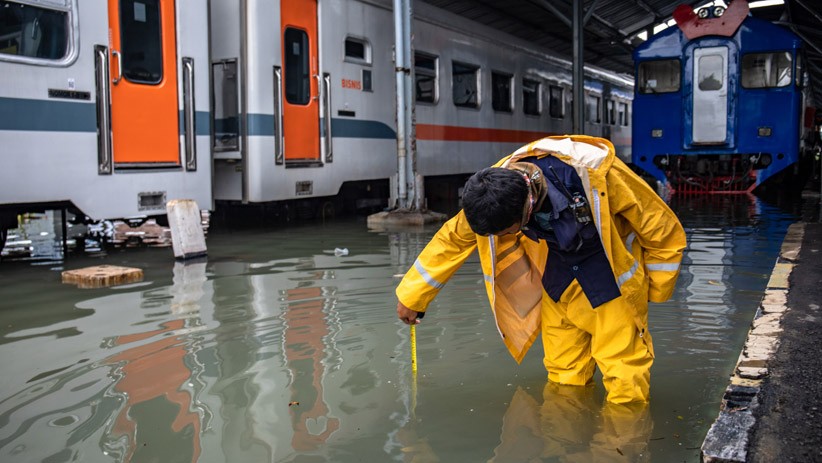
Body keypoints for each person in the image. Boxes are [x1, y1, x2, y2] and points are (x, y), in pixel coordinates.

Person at [395, 135, 686, 404]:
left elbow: (659, 225)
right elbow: (453, 238)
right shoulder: (493, 188)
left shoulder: (596, 171)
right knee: (563, 379)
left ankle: (624, 447)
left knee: (625, 382)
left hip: (609, 287)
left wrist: (654, 290)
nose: (496, 239)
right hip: (558, 286)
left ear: (523, 212)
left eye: (502, 232)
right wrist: (413, 297)